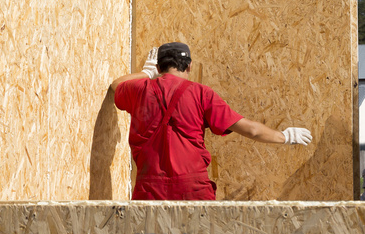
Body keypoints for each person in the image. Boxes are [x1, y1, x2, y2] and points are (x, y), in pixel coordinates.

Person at [111, 42, 312, 201]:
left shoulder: (139, 90)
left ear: (158, 67)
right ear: (189, 65)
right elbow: (250, 129)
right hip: (192, 190)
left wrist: (146, 74)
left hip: (149, 189)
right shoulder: (201, 93)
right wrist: (285, 136)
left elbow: (116, 85)